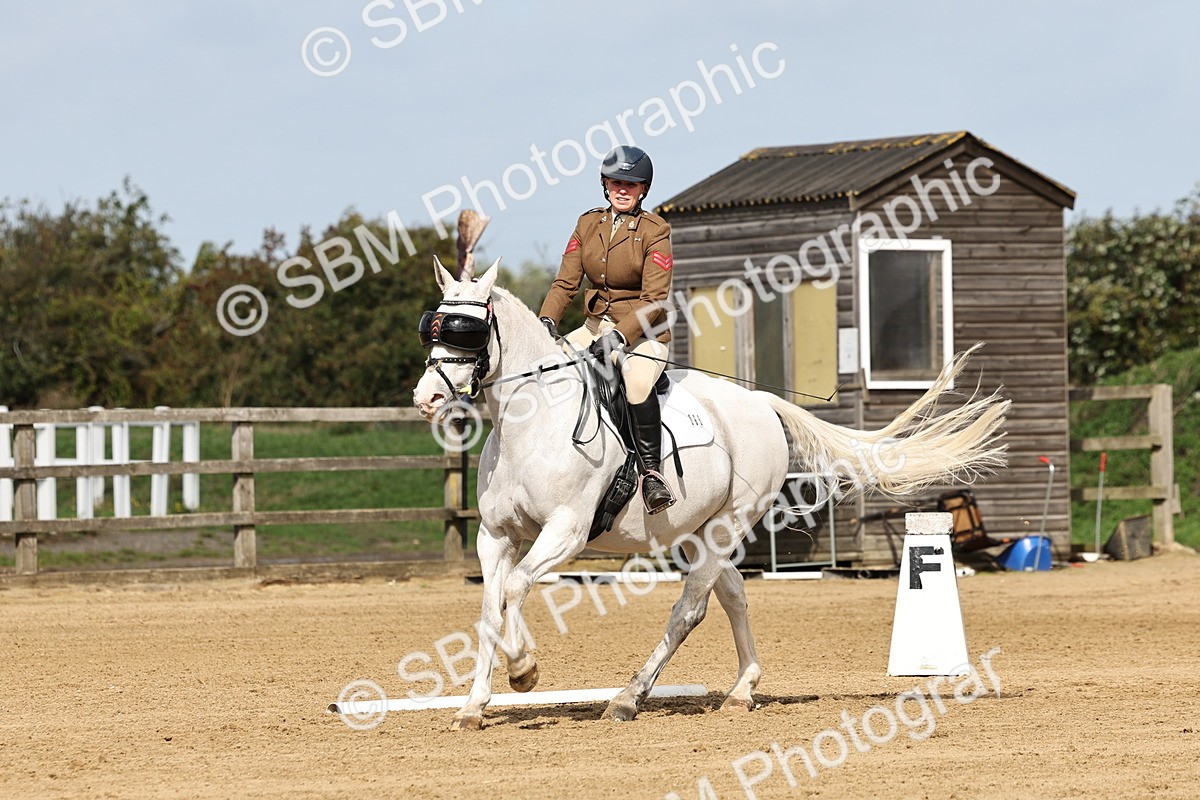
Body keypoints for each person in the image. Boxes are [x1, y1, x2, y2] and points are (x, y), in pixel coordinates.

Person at [538, 145, 676, 514]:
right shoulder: (587, 224)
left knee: (635, 381)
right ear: (604, 184)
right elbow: (566, 282)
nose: (622, 189)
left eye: (631, 184)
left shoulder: (655, 231)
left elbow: (655, 300)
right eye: (616, 182)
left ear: (643, 189)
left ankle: (651, 475)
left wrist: (620, 336)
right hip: (593, 327)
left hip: (644, 333)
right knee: (546, 369)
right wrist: (546, 321)